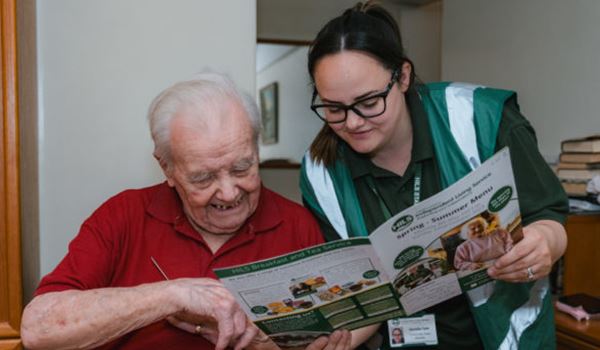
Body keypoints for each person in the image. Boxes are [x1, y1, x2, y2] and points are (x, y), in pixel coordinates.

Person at [299, 2, 568, 349]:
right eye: (333, 109)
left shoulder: (479, 118)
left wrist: (543, 243)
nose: (352, 123)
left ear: (404, 76)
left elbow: (550, 215)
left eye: (369, 102)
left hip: (505, 334)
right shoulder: (320, 172)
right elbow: (363, 295)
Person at [21, 72, 351, 350]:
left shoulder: (298, 226)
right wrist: (173, 294)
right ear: (166, 168)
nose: (228, 192)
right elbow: (38, 328)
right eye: (203, 177)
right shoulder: (122, 216)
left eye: (242, 168)